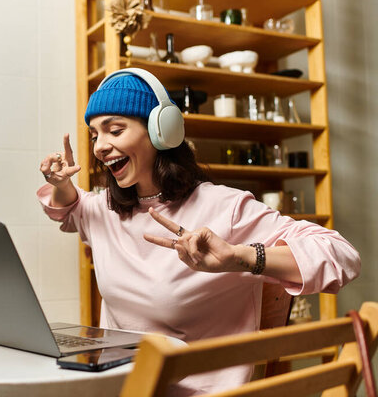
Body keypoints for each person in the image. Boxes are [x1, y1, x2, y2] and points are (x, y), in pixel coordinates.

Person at [36, 68, 360, 395]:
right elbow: (69, 210)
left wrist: (241, 257)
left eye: (115, 130)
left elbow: (342, 257)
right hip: (125, 389)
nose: (100, 147)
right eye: (95, 135)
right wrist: (62, 185)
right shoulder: (104, 209)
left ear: (162, 131)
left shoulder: (225, 208)